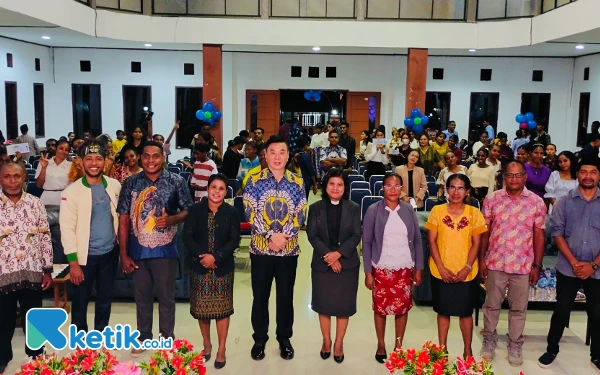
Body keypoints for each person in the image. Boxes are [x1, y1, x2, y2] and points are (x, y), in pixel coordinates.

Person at [117, 141, 194, 357]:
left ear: (163, 157)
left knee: (167, 297)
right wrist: (123, 254)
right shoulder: (130, 183)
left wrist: (171, 218)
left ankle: (167, 338)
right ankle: (143, 336)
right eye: (147, 156)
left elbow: (189, 210)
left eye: (156, 156)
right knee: (141, 298)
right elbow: (123, 218)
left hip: (166, 250)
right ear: (141, 158)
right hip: (137, 251)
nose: (151, 160)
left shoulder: (176, 181)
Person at [243, 136, 307, 361]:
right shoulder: (253, 180)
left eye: (282, 152)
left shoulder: (297, 181)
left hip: (288, 252)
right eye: (273, 152)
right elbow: (250, 211)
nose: (277, 157)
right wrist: (271, 235)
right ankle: (259, 338)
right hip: (260, 250)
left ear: (288, 156)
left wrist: (283, 237)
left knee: (285, 297)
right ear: (266, 155)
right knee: (260, 296)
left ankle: (284, 338)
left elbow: (300, 212)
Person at [479, 160, 546, 366]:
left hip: (523, 265)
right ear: (503, 177)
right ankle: (489, 340)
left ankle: (515, 343)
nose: (514, 179)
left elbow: (539, 235)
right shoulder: (492, 200)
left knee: (519, 309)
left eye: (518, 175)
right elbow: (485, 232)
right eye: (510, 175)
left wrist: (537, 265)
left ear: (525, 177)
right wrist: (481, 259)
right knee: (491, 306)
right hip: (495, 262)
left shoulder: (536, 202)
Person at [537, 156, 600, 370]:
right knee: (562, 310)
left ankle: (597, 355)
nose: (588, 176)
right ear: (577, 174)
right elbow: (557, 234)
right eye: (583, 171)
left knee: (597, 313)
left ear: (599, 175)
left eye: (593, 172)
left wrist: (593, 265)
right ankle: (551, 349)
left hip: (598, 269)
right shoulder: (564, 201)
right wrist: (575, 263)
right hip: (568, 267)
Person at [60, 140, 121, 333]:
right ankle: (81, 345)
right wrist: (73, 263)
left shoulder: (114, 185)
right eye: (89, 159)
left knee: (105, 300)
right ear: (81, 162)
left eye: (98, 158)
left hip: (109, 254)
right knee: (80, 301)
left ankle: (100, 337)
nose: (94, 163)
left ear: (105, 162)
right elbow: (67, 228)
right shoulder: (72, 192)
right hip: (84, 258)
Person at [362, 173, 424, 363]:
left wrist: (419, 267)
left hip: (404, 267)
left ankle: (398, 345)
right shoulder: (373, 210)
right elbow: (367, 241)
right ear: (382, 188)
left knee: (402, 309)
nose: (393, 189)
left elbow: (418, 240)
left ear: (402, 188)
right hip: (381, 267)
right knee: (380, 309)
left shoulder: (409, 210)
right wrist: (368, 272)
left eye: (397, 186)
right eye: (389, 186)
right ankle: (381, 345)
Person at [426, 174, 487, 358]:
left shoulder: (474, 213)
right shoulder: (437, 211)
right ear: (446, 189)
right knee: (443, 312)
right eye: (452, 187)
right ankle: (442, 349)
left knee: (465, 313)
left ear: (467, 191)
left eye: (461, 188)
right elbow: (432, 242)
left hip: (466, 272)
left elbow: (476, 244)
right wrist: (442, 268)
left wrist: (467, 267)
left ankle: (467, 350)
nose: (456, 192)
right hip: (440, 270)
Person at [183, 174, 240, 369]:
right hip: (199, 268)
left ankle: (221, 349)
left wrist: (215, 257)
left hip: (223, 268)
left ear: (226, 192)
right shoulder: (195, 210)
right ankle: (206, 344)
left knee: (223, 310)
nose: (217, 191)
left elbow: (234, 239)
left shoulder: (231, 212)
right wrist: (203, 256)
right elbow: (187, 237)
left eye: (221, 188)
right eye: (213, 187)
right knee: (203, 310)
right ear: (207, 189)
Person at [0, 162, 52, 374]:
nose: (12, 181)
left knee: (34, 319)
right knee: (3, 320)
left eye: (16, 176)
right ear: (1, 179)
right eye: (7, 177)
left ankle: (36, 359)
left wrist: (47, 269)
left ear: (24, 179)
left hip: (32, 271)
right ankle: (2, 358)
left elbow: (44, 236)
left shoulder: (35, 203)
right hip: (3, 273)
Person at [307, 169, 361, 364]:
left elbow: (356, 235)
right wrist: (329, 256)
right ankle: (326, 341)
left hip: (347, 264)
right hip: (322, 264)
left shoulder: (354, 207)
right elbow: (312, 235)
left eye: (340, 184)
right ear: (325, 185)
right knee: (324, 305)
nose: (335, 188)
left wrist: (338, 254)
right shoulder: (315, 208)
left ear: (345, 187)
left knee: (344, 307)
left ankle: (339, 343)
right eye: (332, 184)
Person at [35, 139, 72, 206]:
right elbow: (39, 185)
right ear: (56, 149)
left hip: (65, 198)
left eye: (67, 150)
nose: (63, 151)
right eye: (61, 148)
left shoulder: (71, 165)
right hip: (47, 198)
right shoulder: (44, 162)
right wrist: (43, 168)